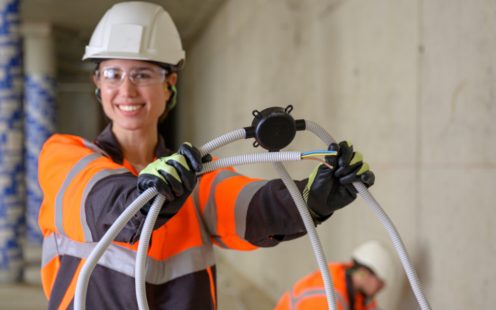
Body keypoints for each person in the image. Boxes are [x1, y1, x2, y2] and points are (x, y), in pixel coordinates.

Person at [37, 2, 375, 309]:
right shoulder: (64, 156)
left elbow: (247, 207)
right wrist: (147, 192)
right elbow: (103, 204)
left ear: (170, 83)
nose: (126, 90)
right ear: (97, 82)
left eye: (142, 74)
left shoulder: (193, 179)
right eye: (112, 74)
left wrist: (310, 199)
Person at [275, 240, 394, 310]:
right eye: (380, 283)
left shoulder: (358, 292)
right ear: (364, 272)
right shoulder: (328, 297)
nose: (381, 288)